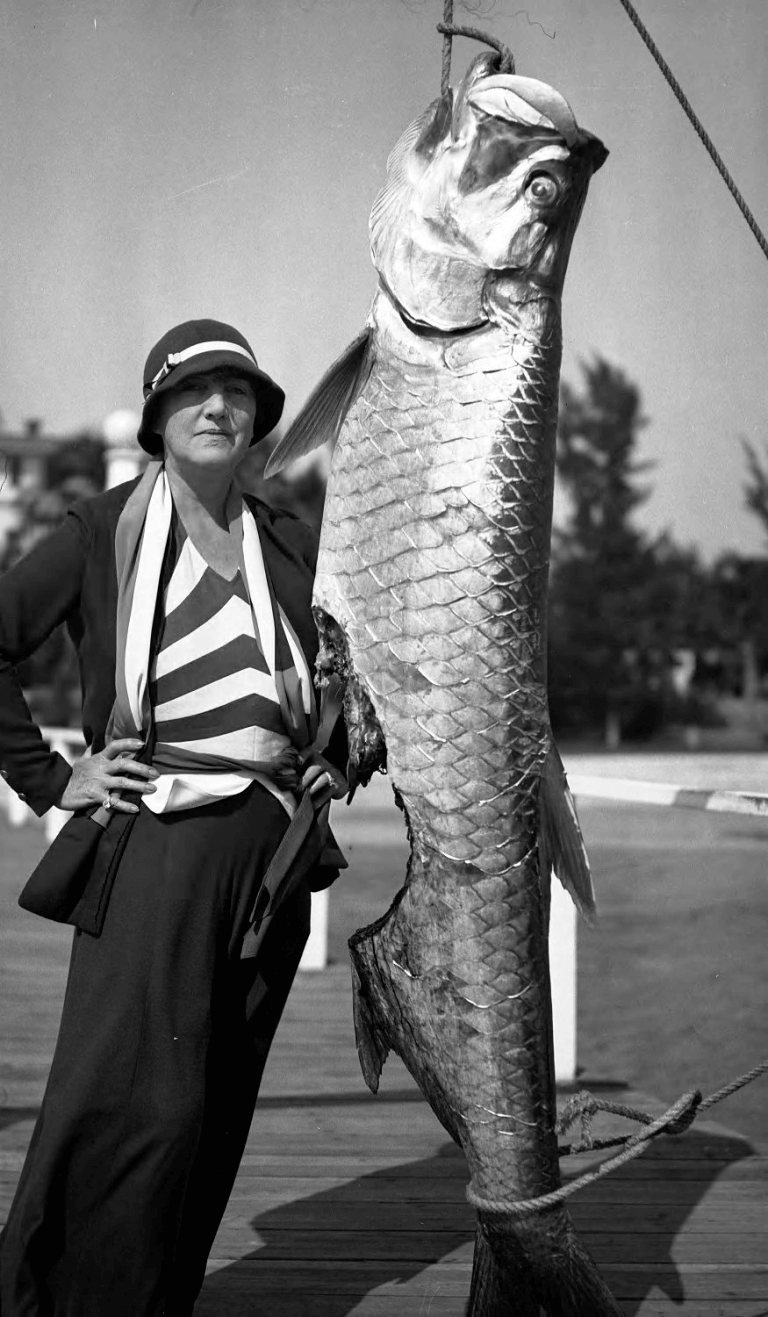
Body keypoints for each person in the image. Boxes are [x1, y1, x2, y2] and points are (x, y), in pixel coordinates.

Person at [0, 318, 348, 1316]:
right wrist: (49, 778)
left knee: (212, 1112)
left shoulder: (285, 536)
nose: (216, 407)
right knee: (133, 1104)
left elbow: (328, 682)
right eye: (193, 392)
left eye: (236, 394)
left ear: (256, 421)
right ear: (157, 417)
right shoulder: (97, 529)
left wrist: (330, 759)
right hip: (156, 839)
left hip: (274, 858)